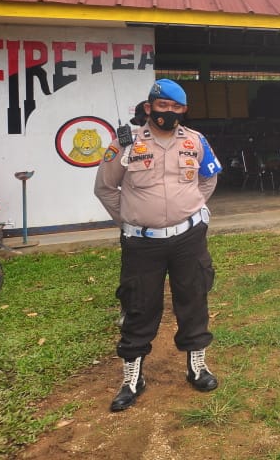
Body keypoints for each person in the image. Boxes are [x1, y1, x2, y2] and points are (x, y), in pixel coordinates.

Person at [94, 78, 223, 412]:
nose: (169, 112)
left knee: (194, 297)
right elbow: (106, 188)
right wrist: (130, 220)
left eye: (176, 107)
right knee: (139, 304)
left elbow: (209, 177)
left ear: (183, 110)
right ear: (149, 108)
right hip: (141, 243)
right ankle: (132, 378)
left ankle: (197, 367)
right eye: (163, 106)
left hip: (188, 238)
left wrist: (192, 205)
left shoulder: (196, 140)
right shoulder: (124, 143)